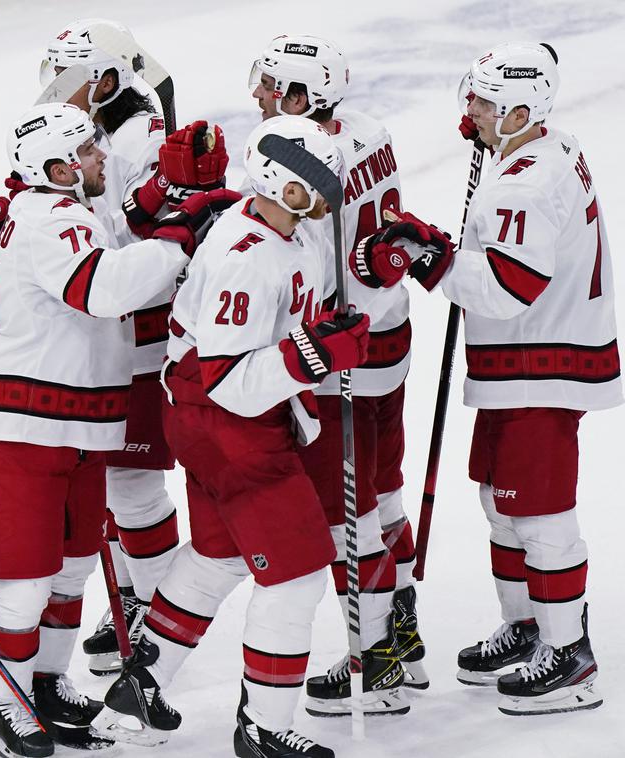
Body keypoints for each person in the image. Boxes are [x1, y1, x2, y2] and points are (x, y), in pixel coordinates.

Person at [93, 115, 367, 758]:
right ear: (275, 180)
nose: (323, 198)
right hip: (228, 425)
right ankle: (264, 728)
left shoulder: (294, 234)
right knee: (296, 575)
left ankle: (140, 687)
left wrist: (337, 323)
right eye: (310, 185)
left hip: (226, 420)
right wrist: (315, 357)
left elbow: (305, 314)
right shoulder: (242, 256)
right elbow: (226, 382)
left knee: (218, 554)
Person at [0, 101, 218, 758]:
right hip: (24, 429)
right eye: (90, 151)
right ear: (57, 167)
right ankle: (10, 703)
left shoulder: (70, 211)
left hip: (74, 425)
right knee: (25, 579)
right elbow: (102, 288)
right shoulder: (48, 219)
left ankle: (45, 682)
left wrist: (169, 201)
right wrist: (180, 232)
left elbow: (118, 240)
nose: (104, 158)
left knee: (70, 570)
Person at [357, 41, 617, 715]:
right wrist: (440, 247)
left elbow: (506, 287)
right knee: (502, 504)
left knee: (538, 513)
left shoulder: (524, 184)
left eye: (481, 102)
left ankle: (570, 658)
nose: (467, 111)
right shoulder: (541, 150)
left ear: (522, 109)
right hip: (523, 361)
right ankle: (531, 626)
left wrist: (428, 257)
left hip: (540, 365)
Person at [37, 18, 231, 677]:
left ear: (109, 79)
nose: (55, 91)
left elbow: (160, 239)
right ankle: (131, 601)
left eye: (70, 79)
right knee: (119, 489)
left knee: (133, 488)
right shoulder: (98, 133)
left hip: (145, 339)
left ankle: (153, 616)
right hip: (115, 333)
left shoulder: (141, 137)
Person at [249, 34, 420, 712]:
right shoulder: (368, 130)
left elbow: (297, 253)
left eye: (270, 86)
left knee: (351, 516)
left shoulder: (296, 156)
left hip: (343, 351)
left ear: (301, 98)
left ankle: (375, 669)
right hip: (390, 332)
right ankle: (399, 638)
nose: (257, 96)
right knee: (383, 493)